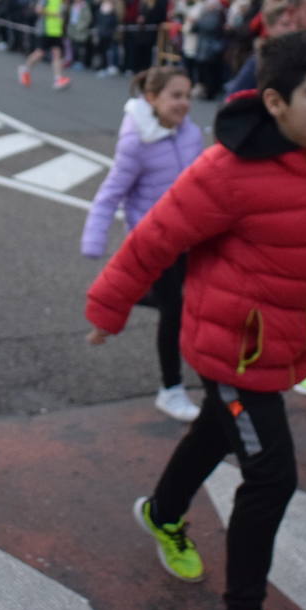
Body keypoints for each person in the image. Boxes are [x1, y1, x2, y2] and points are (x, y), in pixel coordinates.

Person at [86, 31, 306, 610]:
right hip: (232, 349)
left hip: (291, 342)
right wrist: (109, 308)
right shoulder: (226, 170)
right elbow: (154, 240)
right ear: (275, 102)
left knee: (216, 429)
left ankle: (161, 514)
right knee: (272, 475)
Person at [82, 66, 204, 421]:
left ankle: (119, 297)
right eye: (176, 96)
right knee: (174, 309)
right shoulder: (136, 143)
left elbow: (203, 182)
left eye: (188, 96)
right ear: (152, 98)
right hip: (153, 240)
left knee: (185, 298)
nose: (184, 104)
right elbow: (109, 195)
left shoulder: (190, 133)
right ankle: (171, 389)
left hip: (188, 236)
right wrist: (94, 239)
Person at [18, 0, 71, 90]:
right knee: (39, 53)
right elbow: (38, 9)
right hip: (45, 30)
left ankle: (58, 79)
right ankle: (25, 69)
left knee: (57, 54)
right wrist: (54, 14)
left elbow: (61, 11)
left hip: (56, 30)